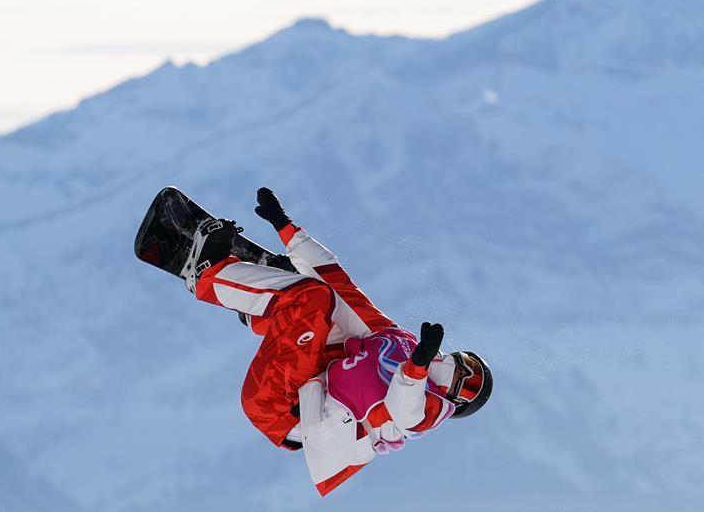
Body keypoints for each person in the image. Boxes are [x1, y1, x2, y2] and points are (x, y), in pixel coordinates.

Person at [181, 188, 493, 495]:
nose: (459, 366)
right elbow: (341, 287)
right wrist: (287, 229)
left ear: (459, 400)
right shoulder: (398, 343)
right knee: (323, 298)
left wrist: (418, 367)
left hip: (284, 408)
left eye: (469, 377)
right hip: (302, 382)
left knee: (311, 298)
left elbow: (404, 406)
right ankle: (264, 303)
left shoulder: (427, 411)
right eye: (467, 360)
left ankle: (208, 277)